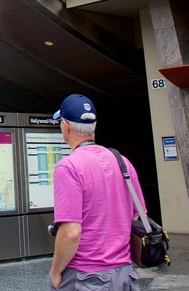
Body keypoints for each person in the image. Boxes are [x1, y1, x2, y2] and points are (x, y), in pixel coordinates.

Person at [48, 94, 143, 290]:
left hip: (85, 278)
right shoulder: (123, 162)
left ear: (65, 126)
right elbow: (136, 218)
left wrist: (55, 272)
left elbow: (71, 232)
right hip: (125, 274)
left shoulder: (68, 167)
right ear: (94, 126)